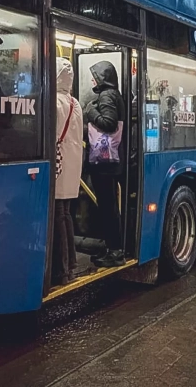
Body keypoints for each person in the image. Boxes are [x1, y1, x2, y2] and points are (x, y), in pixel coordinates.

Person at [84, 60, 126, 268]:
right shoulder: (114, 95)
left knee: (108, 207)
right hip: (110, 161)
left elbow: (108, 124)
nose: (93, 79)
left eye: (96, 75)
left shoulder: (107, 96)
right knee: (109, 206)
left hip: (105, 162)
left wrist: (90, 112)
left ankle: (115, 251)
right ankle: (113, 249)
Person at [53, 58, 83, 286]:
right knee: (66, 214)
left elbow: (52, 135)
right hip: (72, 165)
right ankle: (71, 264)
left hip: (58, 166)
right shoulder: (76, 103)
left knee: (58, 215)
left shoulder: (55, 103)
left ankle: (62, 269)